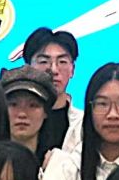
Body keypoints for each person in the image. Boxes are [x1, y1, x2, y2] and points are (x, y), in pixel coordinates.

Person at [21, 27, 83, 156]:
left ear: (72, 70)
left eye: (62, 62)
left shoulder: (83, 123)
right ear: (27, 68)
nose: (53, 70)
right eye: (44, 61)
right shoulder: (15, 118)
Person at [0, 65, 60, 156]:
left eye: (32, 105)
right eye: (13, 104)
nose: (22, 114)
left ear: (45, 112)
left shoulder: (60, 162)